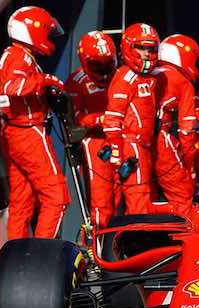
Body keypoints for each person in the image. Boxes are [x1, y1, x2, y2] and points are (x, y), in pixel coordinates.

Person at [0, 6, 69, 240]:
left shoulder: (15, 54)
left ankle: (16, 260)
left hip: (15, 133)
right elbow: (11, 87)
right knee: (57, 197)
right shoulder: (19, 57)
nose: (48, 37)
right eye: (46, 32)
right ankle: (43, 256)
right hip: (28, 132)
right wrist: (45, 80)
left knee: (22, 202)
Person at [102, 23, 160, 215]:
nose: (146, 54)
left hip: (143, 147)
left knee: (142, 198)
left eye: (150, 49)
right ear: (128, 47)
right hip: (130, 147)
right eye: (141, 48)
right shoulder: (125, 77)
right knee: (137, 198)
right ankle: (138, 243)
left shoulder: (148, 78)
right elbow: (111, 119)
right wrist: (118, 152)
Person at [65, 30, 118, 230]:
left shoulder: (121, 76)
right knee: (100, 199)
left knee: (126, 193)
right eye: (98, 66)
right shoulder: (76, 81)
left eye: (108, 64)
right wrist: (101, 119)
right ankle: (98, 246)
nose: (104, 71)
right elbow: (75, 121)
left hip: (120, 139)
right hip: (94, 143)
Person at [153, 34, 199, 215]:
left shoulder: (146, 74)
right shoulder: (183, 83)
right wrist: (189, 165)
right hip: (159, 139)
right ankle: (184, 241)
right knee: (182, 194)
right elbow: (187, 130)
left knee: (140, 196)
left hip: (133, 141)